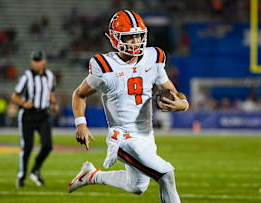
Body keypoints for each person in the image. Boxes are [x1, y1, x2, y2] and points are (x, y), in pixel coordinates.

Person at [68, 10, 189, 203]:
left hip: (146, 135)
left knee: (137, 187)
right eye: (129, 37)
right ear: (116, 39)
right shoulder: (105, 65)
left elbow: (174, 92)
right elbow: (79, 94)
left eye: (139, 35)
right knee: (166, 174)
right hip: (123, 138)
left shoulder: (154, 57)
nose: (136, 41)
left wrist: (182, 103)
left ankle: (91, 175)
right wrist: (81, 124)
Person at [11, 50, 59, 188]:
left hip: (43, 114)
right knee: (27, 148)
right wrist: (24, 103)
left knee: (48, 146)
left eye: (38, 60)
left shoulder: (50, 75)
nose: (35, 63)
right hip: (28, 115)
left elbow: (51, 92)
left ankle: (35, 169)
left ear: (44, 61)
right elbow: (15, 96)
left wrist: (54, 104)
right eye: (34, 60)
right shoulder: (27, 76)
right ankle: (21, 177)